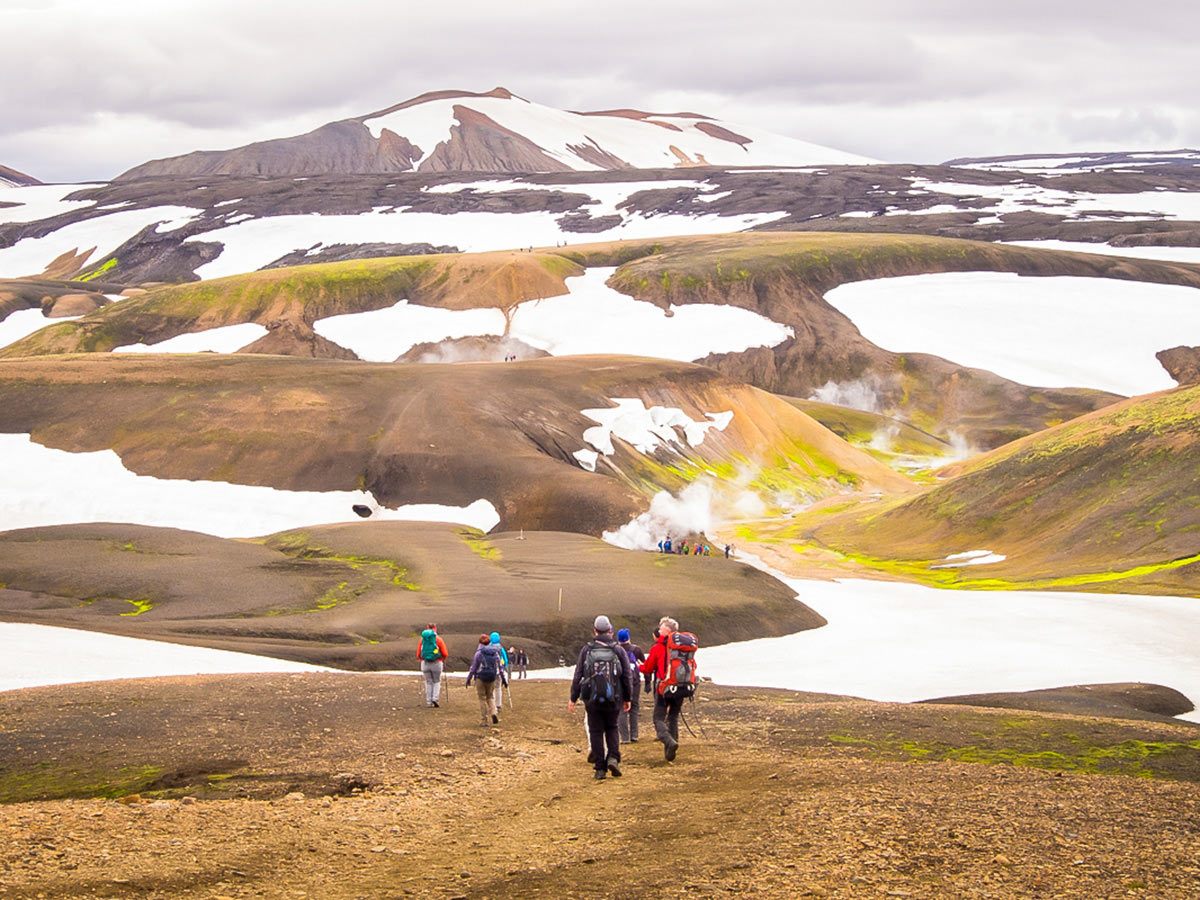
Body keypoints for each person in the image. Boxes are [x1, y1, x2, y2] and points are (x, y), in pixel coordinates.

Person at [569, 615, 631, 780]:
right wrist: (627, 698)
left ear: (595, 631)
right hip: (614, 697)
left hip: (592, 699)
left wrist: (573, 698)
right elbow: (626, 675)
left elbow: (578, 675)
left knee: (595, 731)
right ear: (610, 630)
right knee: (612, 728)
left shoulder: (587, 650)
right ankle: (613, 758)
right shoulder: (618, 650)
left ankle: (600, 769)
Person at [640, 616, 686, 761]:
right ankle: (671, 751)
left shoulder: (658, 648)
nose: (658, 631)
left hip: (664, 687)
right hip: (681, 686)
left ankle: (669, 742)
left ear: (666, 631)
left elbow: (648, 667)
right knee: (673, 717)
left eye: (660, 628)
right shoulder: (683, 648)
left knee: (658, 718)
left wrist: (637, 666)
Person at [465, 634, 508, 726]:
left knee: (482, 698)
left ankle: (484, 720)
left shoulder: (478, 653)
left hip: (480, 678)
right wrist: (503, 679)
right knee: (490, 696)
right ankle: (494, 712)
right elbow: (500, 667)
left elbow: (473, 668)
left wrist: (469, 679)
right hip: (492, 677)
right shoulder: (494, 653)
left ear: (480, 642)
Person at [616, 628, 646, 744]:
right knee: (634, 707)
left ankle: (624, 737)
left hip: (620, 683)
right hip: (635, 683)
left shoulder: (615, 650)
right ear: (628, 638)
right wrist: (648, 682)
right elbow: (645, 665)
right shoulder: (636, 650)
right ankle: (635, 735)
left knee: (621, 710)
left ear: (618, 640)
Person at [416, 622, 448, 708]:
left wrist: (421, 659)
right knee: (437, 681)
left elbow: (418, 654)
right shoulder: (438, 639)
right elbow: (445, 653)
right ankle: (435, 698)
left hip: (425, 663)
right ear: (435, 628)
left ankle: (428, 702)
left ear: (427, 627)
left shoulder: (422, 640)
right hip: (437, 663)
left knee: (428, 682)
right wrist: (442, 658)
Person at [489, 632, 510, 709]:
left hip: (490, 672)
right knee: (498, 688)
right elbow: (505, 660)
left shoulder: (488, 648)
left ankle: (492, 705)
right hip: (499, 671)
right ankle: (498, 705)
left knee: (491, 689)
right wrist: (505, 667)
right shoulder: (501, 649)